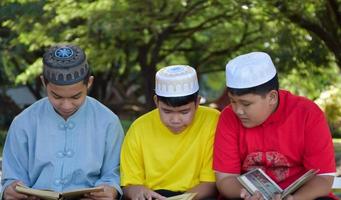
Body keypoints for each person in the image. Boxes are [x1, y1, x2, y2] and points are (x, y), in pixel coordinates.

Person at [1, 44, 124, 199]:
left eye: (76, 97)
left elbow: (114, 173)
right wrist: (9, 190)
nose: (66, 105)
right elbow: (11, 178)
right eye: (57, 96)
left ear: (89, 83)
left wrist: (111, 190)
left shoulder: (108, 122)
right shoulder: (23, 123)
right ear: (44, 83)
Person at [213, 52, 337, 200]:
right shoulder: (228, 117)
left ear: (272, 97)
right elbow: (225, 179)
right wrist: (244, 194)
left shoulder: (307, 113)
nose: (237, 110)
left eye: (246, 104)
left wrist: (294, 199)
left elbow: (323, 178)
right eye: (232, 101)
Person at [120, 65, 220, 200]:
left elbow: (210, 184)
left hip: (196, 196)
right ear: (156, 102)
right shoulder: (139, 128)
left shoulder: (213, 121)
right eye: (166, 111)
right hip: (153, 195)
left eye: (184, 112)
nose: (175, 120)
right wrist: (137, 191)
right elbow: (129, 184)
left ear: (197, 103)